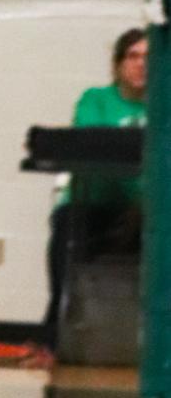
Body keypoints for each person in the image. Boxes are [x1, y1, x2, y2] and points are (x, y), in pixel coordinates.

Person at [39, 27, 147, 358]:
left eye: (149, 58)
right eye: (133, 56)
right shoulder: (95, 99)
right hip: (95, 205)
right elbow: (93, 141)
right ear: (118, 65)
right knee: (65, 227)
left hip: (147, 211)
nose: (141, 64)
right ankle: (52, 338)